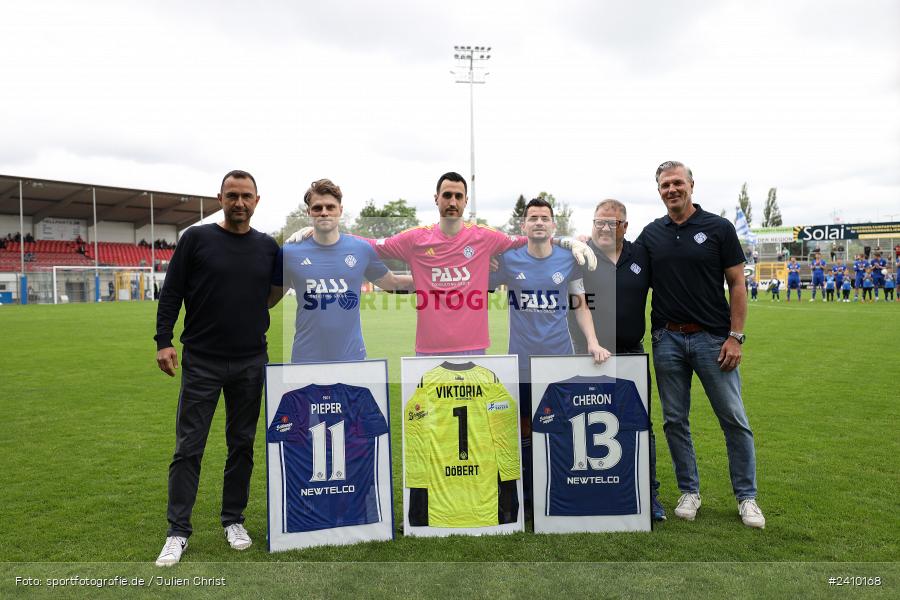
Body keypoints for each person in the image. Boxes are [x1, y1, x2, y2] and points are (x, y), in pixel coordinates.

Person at [288, 172, 596, 355]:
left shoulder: (485, 237)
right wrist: (320, 231)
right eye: (446, 194)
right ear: (436, 198)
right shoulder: (415, 239)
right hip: (429, 349)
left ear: (465, 201)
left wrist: (567, 240)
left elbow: (531, 236)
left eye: (458, 196)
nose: (452, 201)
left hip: (476, 347)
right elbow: (370, 246)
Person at [153, 170, 279, 566]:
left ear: (257, 200)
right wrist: (163, 341)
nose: (239, 202)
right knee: (189, 446)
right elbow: (172, 290)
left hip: (250, 360)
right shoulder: (197, 238)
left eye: (246, 196)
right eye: (232, 195)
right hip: (202, 360)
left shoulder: (268, 247)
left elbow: (274, 293)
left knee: (241, 445)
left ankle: (233, 520)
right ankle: (177, 532)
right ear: (220, 198)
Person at [636, 160, 764, 528]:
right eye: (664, 185)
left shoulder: (718, 228)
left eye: (677, 183)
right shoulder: (652, 233)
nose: (671, 190)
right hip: (667, 339)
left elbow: (737, 284)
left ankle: (747, 497)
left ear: (692, 185)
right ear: (658, 191)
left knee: (733, 419)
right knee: (675, 421)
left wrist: (736, 336)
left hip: (713, 339)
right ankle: (689, 491)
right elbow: (624, 261)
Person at [491, 197, 611, 515]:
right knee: (525, 428)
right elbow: (481, 279)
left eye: (545, 217)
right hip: (521, 360)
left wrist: (593, 341)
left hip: (559, 359)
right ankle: (529, 496)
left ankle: (562, 488)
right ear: (524, 225)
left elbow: (580, 303)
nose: (539, 222)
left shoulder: (567, 259)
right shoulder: (509, 260)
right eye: (533, 218)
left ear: (554, 225)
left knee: (561, 425)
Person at [565, 198, 667, 521]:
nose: (604, 228)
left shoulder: (641, 255)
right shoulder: (580, 255)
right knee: (583, 425)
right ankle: (584, 492)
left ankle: (649, 495)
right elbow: (576, 301)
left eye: (612, 223)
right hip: (586, 355)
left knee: (641, 425)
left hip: (631, 354)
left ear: (625, 226)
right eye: (599, 222)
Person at [269, 179, 412, 362]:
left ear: (340, 210)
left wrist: (434, 281)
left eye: (330, 207)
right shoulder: (289, 253)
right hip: (306, 357)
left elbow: (393, 283)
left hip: (351, 357)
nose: (324, 213)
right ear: (308, 212)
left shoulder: (361, 249)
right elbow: (270, 300)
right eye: (317, 208)